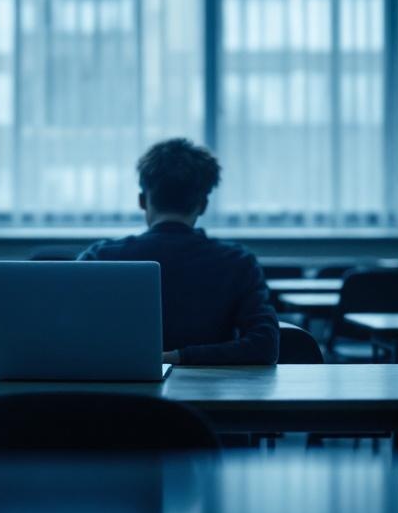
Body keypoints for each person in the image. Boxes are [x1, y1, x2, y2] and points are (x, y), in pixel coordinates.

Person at [78, 138, 279, 365]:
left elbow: (66, 337)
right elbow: (265, 346)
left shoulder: (100, 257)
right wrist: (177, 357)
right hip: (203, 399)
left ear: (142, 200)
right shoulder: (239, 262)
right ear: (203, 205)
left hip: (114, 398)